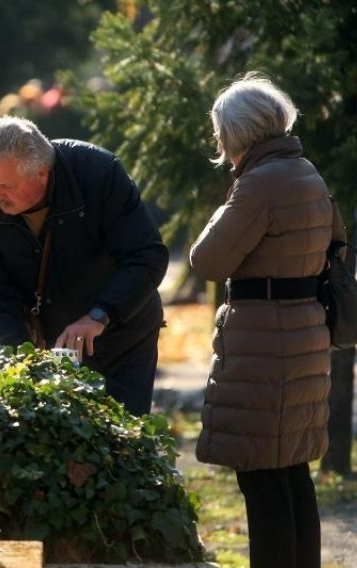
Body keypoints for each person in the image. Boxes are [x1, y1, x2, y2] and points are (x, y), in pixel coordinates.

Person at [189, 73, 342, 568]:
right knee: (291, 473)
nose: (218, 142)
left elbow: (207, 261)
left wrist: (228, 202)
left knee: (261, 478)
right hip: (301, 335)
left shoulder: (259, 184)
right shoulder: (306, 172)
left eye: (220, 131)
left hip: (264, 345)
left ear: (237, 132)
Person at [0, 115, 168, 415]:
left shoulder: (99, 174)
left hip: (121, 332)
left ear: (42, 173)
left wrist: (99, 315)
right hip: (42, 346)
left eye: (6, 186)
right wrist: (20, 352)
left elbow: (146, 255)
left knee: (121, 442)